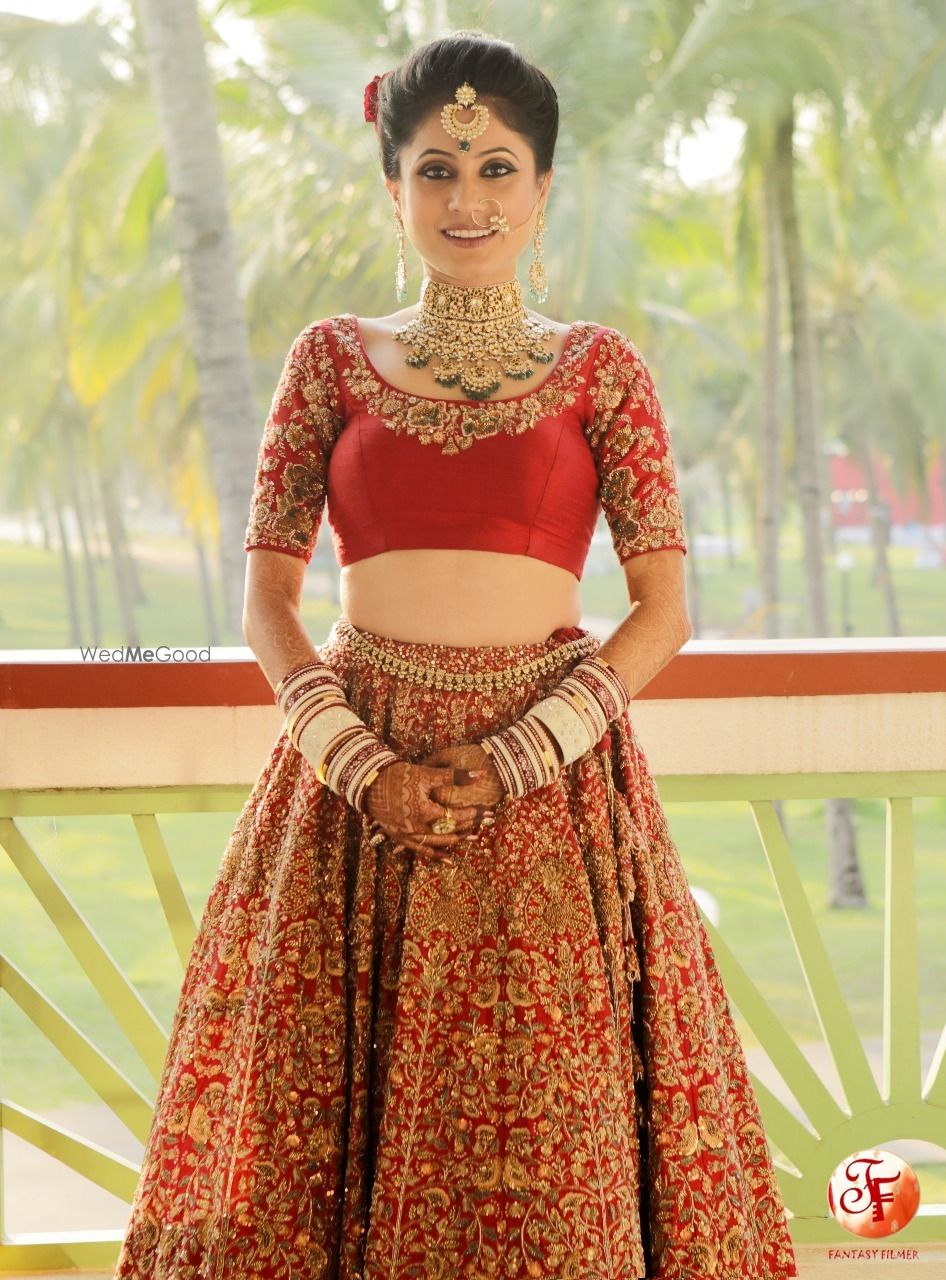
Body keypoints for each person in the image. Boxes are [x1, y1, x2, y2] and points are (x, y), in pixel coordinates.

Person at [114, 29, 798, 1280]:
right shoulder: (328, 359)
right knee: (312, 1142)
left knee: (554, 1141)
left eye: (495, 168)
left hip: (548, 797)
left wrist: (525, 751)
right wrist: (358, 759)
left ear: (542, 190)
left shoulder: (604, 373)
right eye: (436, 169)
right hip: (346, 795)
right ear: (393, 188)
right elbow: (268, 601)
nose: (466, 198)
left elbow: (661, 611)